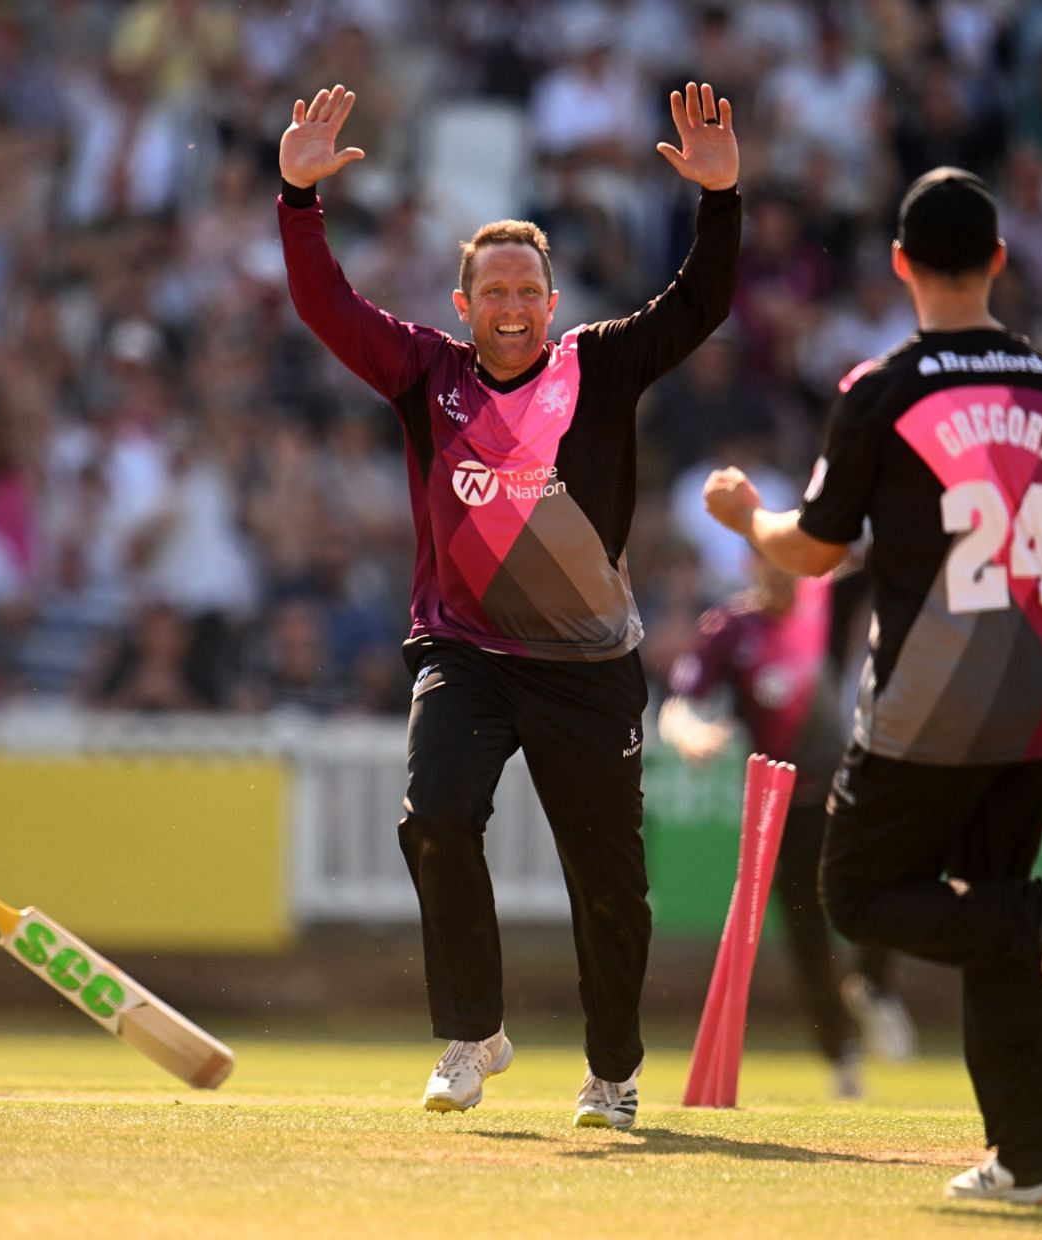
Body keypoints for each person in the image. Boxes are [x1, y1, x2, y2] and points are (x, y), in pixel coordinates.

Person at [278, 82, 741, 1129]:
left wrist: (721, 204)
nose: (513, 306)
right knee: (435, 817)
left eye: (528, 289)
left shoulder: (602, 365)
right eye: (492, 291)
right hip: (467, 649)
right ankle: (471, 1035)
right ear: (464, 306)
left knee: (609, 885)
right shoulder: (424, 375)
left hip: (588, 666)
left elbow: (700, 306)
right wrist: (298, 201)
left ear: (552, 298)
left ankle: (612, 1074)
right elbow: (326, 308)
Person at [702, 168, 1042, 1204]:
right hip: (1039, 698)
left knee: (853, 891)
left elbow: (812, 553)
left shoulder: (883, 389)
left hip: (928, 699)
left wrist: (743, 518)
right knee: (985, 902)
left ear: (900, 263)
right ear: (998, 260)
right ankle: (1034, 1157)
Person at [657, 552, 916, 1099]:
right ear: (751, 562)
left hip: (844, 786)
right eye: (771, 556)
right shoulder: (732, 628)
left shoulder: (828, 598)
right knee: (806, 938)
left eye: (792, 555)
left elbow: (894, 542)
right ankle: (840, 1056)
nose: (784, 570)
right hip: (781, 809)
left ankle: (872, 984)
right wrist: (689, 736)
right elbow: (680, 704)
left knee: (889, 878)